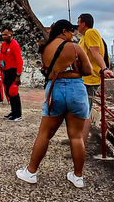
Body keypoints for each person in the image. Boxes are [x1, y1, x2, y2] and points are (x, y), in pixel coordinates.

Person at [16, 20, 92, 188]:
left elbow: (47, 68)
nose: (73, 35)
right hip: (76, 90)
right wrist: (75, 67)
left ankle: (31, 172)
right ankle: (78, 177)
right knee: (76, 136)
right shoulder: (75, 47)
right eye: (71, 31)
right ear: (64, 31)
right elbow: (88, 71)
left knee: (44, 134)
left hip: (55, 90)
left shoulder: (45, 49)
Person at [77, 13, 112, 142]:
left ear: (83, 24)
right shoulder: (85, 37)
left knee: (85, 112)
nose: (78, 26)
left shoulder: (90, 32)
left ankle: (80, 144)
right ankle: (77, 140)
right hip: (84, 79)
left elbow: (95, 52)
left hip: (89, 79)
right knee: (80, 112)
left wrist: (104, 69)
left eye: (78, 23)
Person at [0, 27, 23, 121]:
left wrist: (18, 75)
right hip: (6, 71)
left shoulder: (14, 45)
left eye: (5, 34)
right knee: (9, 93)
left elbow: (19, 61)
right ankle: (13, 111)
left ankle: (18, 114)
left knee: (14, 93)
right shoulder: (4, 45)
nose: (3, 36)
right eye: (2, 35)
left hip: (13, 71)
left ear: (11, 34)